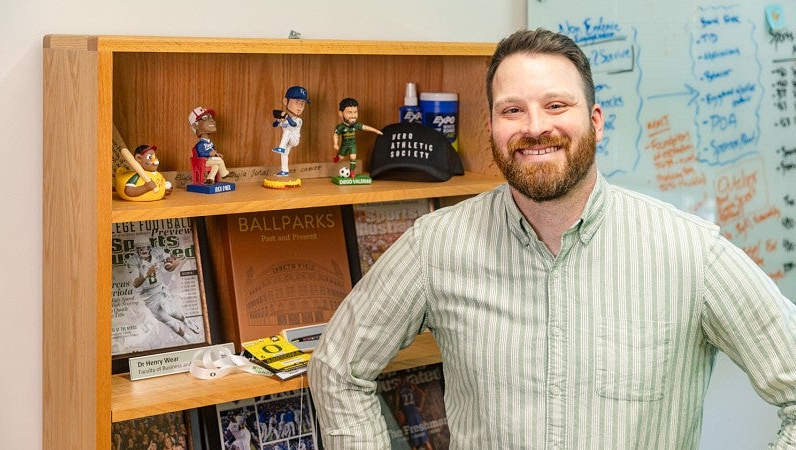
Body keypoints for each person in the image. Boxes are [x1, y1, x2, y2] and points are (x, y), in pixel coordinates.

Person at [307, 28, 796, 449]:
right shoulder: (436, 246)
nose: (535, 127)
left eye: (556, 105)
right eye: (513, 110)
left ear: (595, 122)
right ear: (493, 127)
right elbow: (337, 368)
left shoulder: (690, 253)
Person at [126, 238, 200, 341]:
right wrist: (147, 274)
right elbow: (135, 283)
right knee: (168, 321)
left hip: (160, 289)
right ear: (136, 249)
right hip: (149, 297)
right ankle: (187, 337)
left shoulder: (156, 252)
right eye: (141, 248)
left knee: (170, 311)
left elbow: (171, 257)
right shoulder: (133, 261)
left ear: (149, 247)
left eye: (146, 247)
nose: (144, 250)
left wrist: (175, 261)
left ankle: (186, 321)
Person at [332, 97, 382, 178]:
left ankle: (352, 172)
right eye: (350, 112)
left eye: (355, 112)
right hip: (344, 145)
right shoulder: (340, 127)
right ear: (341, 114)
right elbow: (335, 135)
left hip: (352, 145)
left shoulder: (356, 125)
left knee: (353, 157)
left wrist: (376, 131)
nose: (353, 115)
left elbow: (366, 127)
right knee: (341, 157)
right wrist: (335, 144)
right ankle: (338, 156)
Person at [272, 85, 310, 177]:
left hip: (294, 140)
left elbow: (292, 124)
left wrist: (286, 117)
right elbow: (274, 125)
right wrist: (278, 120)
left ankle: (281, 147)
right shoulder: (285, 120)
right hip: (287, 141)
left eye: (303, 103)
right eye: (297, 102)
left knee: (287, 132)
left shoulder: (299, 120)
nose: (300, 106)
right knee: (284, 154)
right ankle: (285, 171)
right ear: (286, 101)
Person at [189, 106, 231, 184]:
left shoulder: (210, 142)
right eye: (205, 118)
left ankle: (210, 179)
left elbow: (213, 151)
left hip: (210, 160)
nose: (211, 120)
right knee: (220, 161)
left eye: (211, 117)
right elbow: (200, 154)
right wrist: (209, 153)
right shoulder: (200, 144)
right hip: (204, 161)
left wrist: (217, 154)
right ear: (195, 125)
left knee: (216, 166)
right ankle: (224, 173)